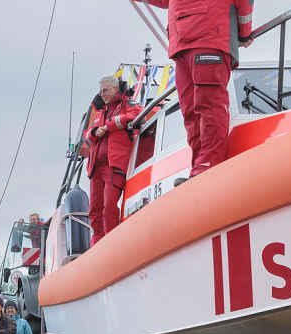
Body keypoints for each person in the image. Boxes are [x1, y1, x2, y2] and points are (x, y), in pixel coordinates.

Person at [143, 0, 254, 178]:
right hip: (192, 43)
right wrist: (244, 34)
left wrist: (243, 34)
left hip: (201, 39)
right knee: (194, 111)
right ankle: (201, 164)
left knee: (203, 108)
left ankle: (207, 164)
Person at [86, 76, 143, 245]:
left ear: (115, 89)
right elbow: (87, 134)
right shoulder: (100, 111)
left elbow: (137, 114)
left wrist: (109, 125)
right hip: (96, 167)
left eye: (105, 90)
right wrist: (95, 132)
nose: (102, 94)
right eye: (100, 91)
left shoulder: (127, 104)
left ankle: (111, 243)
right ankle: (98, 243)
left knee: (109, 207)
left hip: (113, 166)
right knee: (94, 211)